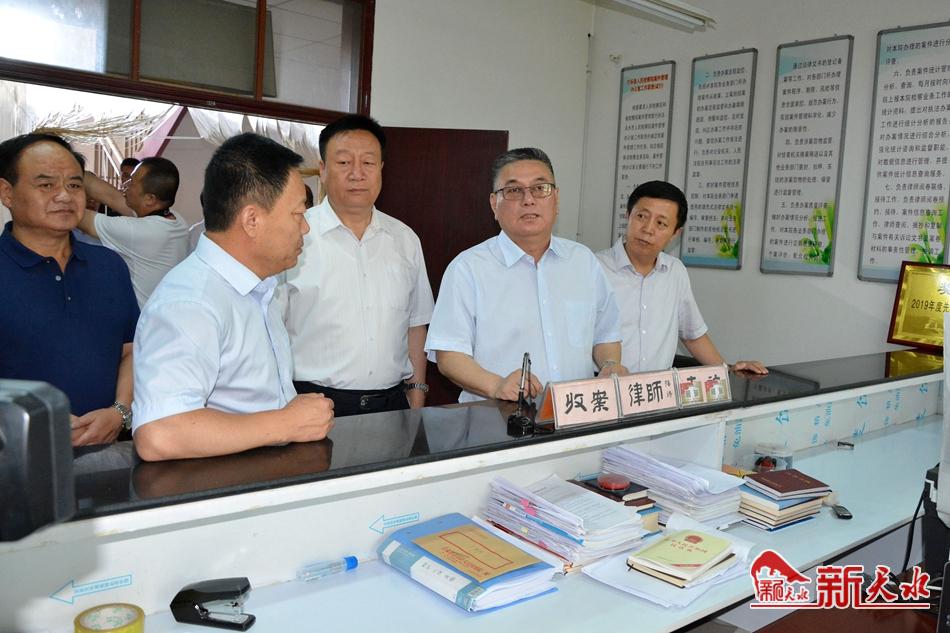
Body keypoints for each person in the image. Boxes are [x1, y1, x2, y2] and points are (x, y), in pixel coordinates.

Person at [132, 132, 334, 461]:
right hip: (219, 485)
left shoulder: (259, 287)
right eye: (298, 214)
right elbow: (160, 433)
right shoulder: (191, 303)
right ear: (252, 220)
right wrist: (286, 423)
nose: (306, 228)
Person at [425, 147, 625, 403]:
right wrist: (497, 385)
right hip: (497, 416)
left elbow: (606, 334)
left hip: (576, 413)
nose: (528, 200)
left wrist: (609, 364)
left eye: (540, 188)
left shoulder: (583, 261)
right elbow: (449, 355)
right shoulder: (468, 268)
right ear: (494, 204)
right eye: (514, 190)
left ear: (556, 199)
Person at [283, 114, 434, 416]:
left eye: (368, 162)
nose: (357, 174)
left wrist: (417, 393)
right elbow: (269, 329)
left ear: (381, 169)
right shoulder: (293, 235)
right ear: (322, 169)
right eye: (343, 162)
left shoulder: (405, 239)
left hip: (392, 406)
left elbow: (416, 324)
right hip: (312, 404)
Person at [0, 133, 139, 445]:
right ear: (7, 193)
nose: (64, 196)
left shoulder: (109, 266)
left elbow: (131, 350)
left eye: (75, 185)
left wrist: (119, 412)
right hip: (15, 456)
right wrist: (31, 420)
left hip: (109, 449)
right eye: (46, 185)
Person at [597, 180, 767, 374]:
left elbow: (692, 334)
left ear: (675, 233)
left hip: (659, 388)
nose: (648, 229)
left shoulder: (675, 271)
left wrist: (727, 371)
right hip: (603, 384)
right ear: (628, 216)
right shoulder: (595, 267)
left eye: (661, 223)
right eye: (641, 216)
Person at [77, 157, 190, 307]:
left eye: (132, 183)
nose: (125, 185)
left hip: (142, 319)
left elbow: (75, 216)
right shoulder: (176, 221)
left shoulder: (140, 232)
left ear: (150, 199)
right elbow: (112, 197)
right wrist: (70, 169)